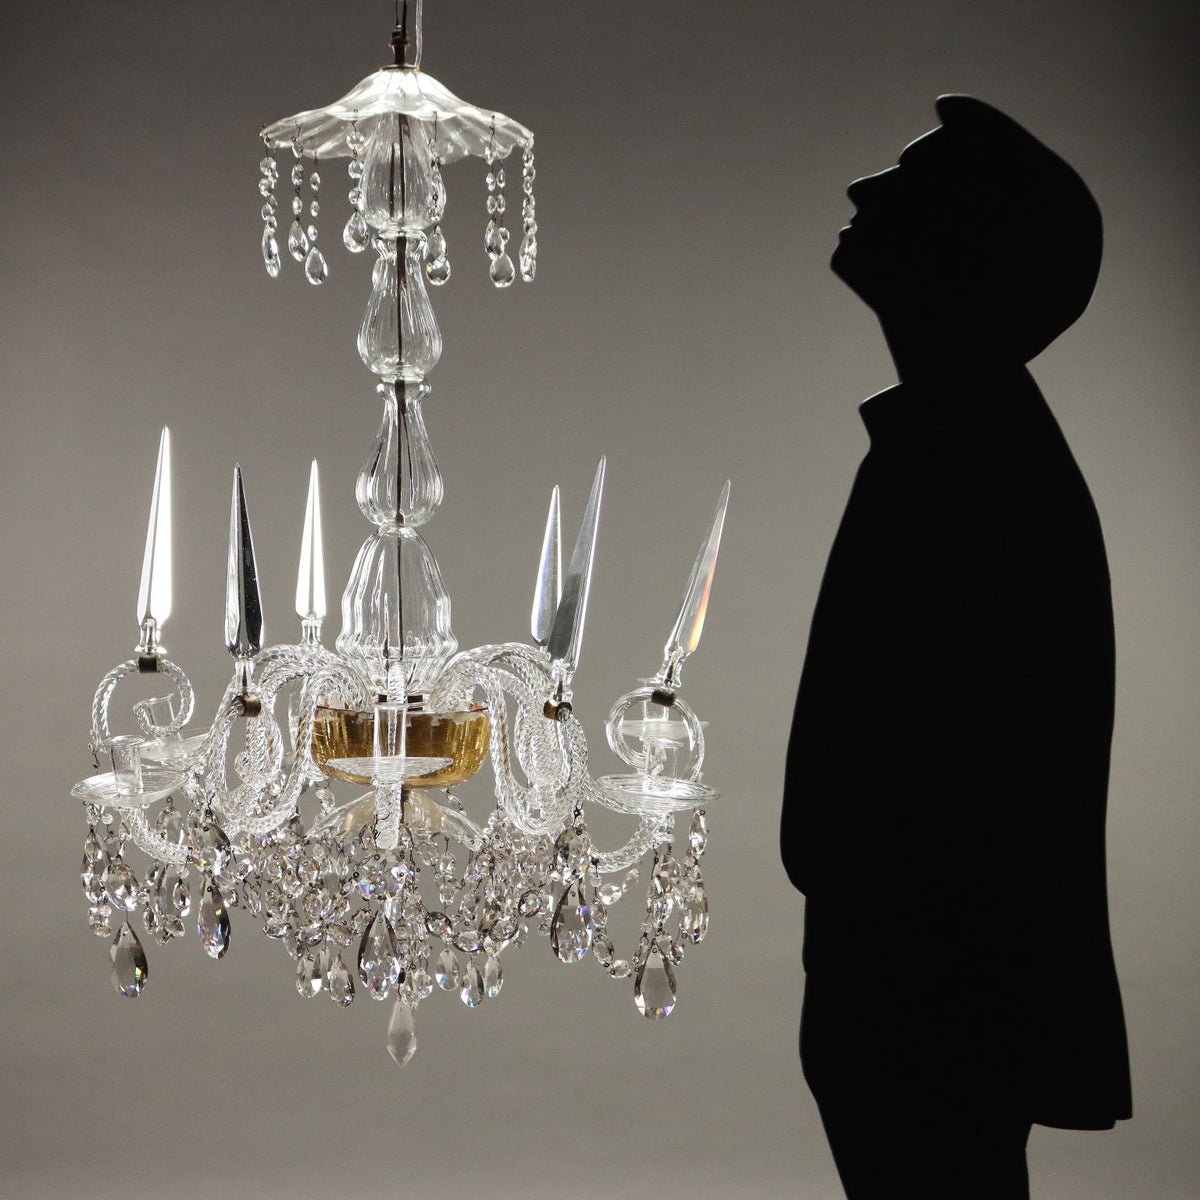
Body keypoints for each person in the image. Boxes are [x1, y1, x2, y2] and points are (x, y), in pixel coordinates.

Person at [781, 95, 1131, 1199]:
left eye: (909, 180)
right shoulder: (956, 440)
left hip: (931, 990)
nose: (864, 190)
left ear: (965, 243)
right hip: (906, 979)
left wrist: (856, 898)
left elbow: (989, 760)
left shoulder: (974, 463)